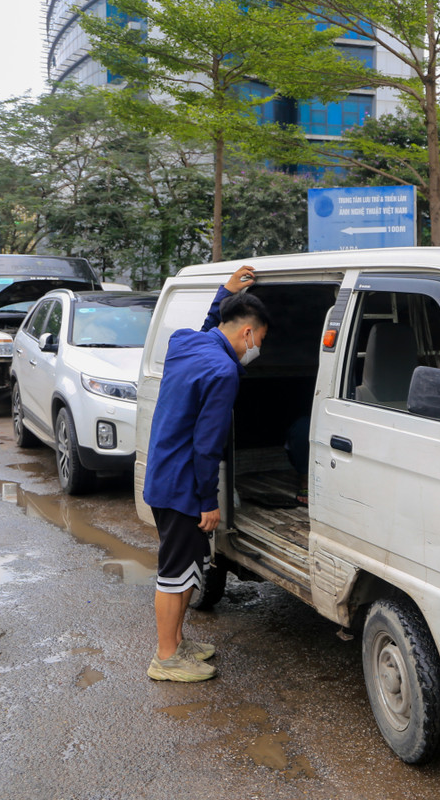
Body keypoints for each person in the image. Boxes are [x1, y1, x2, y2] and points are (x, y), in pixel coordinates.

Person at [142, 264, 269, 682]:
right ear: (247, 334)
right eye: (260, 341)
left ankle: (178, 643)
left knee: (188, 567)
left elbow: (208, 327)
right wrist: (207, 501)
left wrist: (223, 292)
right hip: (182, 485)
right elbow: (206, 445)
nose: (258, 349)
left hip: (164, 474)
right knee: (175, 574)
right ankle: (165, 658)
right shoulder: (224, 371)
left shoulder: (185, 344)